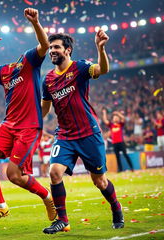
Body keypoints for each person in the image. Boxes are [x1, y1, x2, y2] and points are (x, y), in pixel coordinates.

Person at [0, 8, 56, 229]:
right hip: (8, 125)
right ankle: (1, 206)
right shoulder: (3, 70)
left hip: (29, 127)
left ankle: (47, 197)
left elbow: (44, 46)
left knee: (14, 175)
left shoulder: (29, 60)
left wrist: (36, 22)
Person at [41, 30, 124, 234]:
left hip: (88, 133)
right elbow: (44, 108)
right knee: (54, 172)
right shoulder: (48, 80)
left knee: (99, 181)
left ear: (67, 50)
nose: (52, 50)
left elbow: (102, 69)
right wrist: (29, 121)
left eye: (56, 47)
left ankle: (116, 208)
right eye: (50, 47)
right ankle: (63, 220)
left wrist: (100, 48)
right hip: (65, 135)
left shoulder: (80, 67)